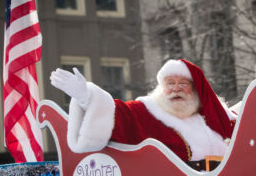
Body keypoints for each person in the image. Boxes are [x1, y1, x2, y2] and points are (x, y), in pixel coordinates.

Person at [50, 59, 237, 171]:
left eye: (183, 84)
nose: (176, 89)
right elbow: (116, 113)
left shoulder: (215, 119)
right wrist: (86, 97)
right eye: (170, 83)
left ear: (195, 89)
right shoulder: (146, 111)